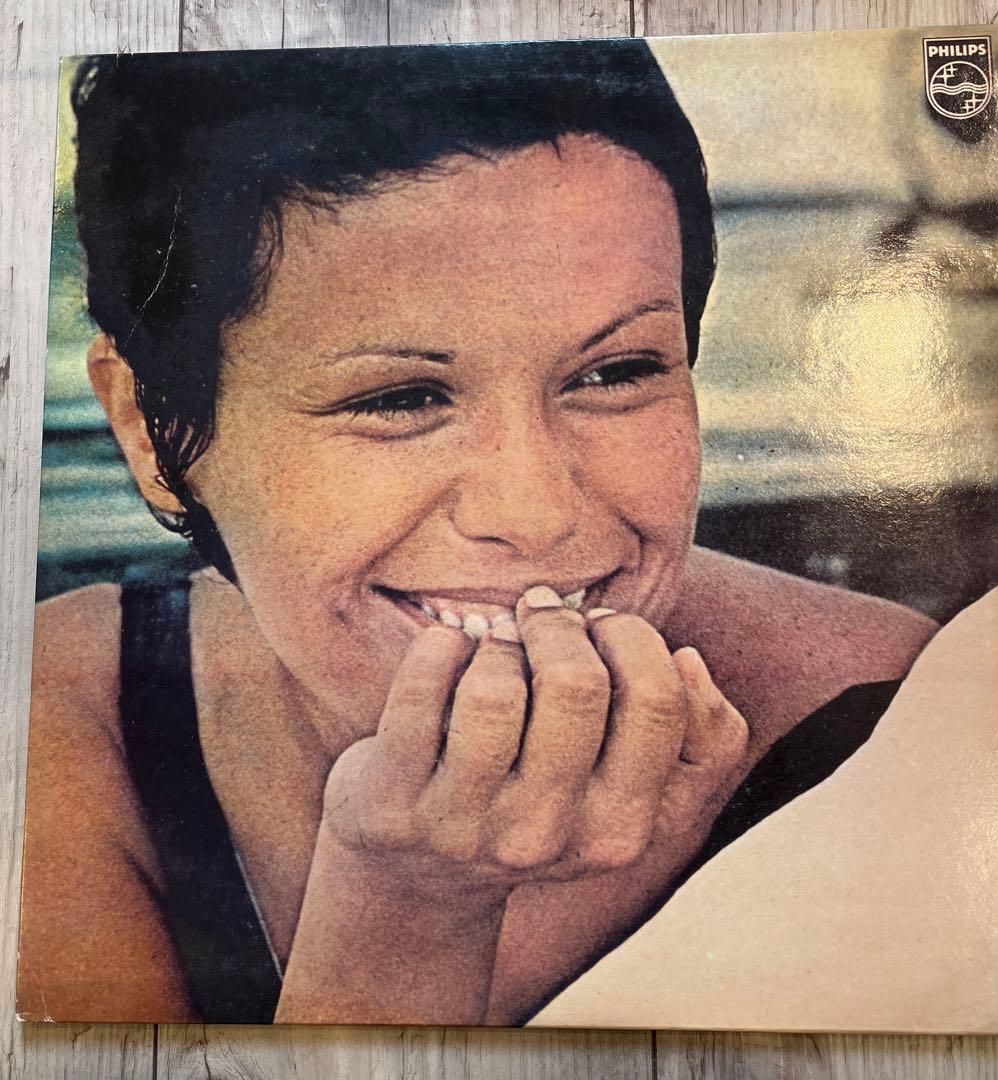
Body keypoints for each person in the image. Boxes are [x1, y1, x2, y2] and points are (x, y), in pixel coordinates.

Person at [17, 41, 936, 1026]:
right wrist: (405, 913)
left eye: (615, 373)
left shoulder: (909, 723)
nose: (535, 513)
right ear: (151, 431)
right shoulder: (55, 726)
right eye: (400, 398)